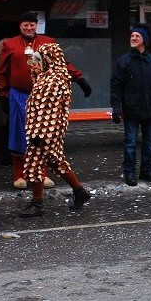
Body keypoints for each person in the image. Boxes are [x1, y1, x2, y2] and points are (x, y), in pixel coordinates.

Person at [0, 12, 91, 189]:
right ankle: (19, 175)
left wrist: (79, 79)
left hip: (43, 97)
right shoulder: (10, 44)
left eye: (32, 24)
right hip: (18, 95)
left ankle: (42, 174)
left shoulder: (48, 42)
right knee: (18, 134)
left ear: (36, 25)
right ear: (20, 26)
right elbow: (2, 72)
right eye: (26, 24)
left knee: (42, 135)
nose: (29, 27)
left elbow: (62, 63)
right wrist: (3, 95)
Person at [19, 44, 90, 217]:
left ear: (49, 59)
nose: (37, 62)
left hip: (45, 131)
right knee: (55, 161)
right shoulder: (50, 75)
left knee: (34, 162)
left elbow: (48, 109)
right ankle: (79, 191)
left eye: (40, 58)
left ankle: (37, 203)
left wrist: (38, 134)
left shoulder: (54, 79)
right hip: (47, 130)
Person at [110, 25, 151, 186]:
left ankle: (146, 170)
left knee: (150, 142)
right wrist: (116, 107)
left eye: (137, 36)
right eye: (132, 35)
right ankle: (129, 172)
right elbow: (116, 86)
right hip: (131, 109)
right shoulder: (124, 62)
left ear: (144, 39)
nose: (133, 38)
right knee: (130, 142)